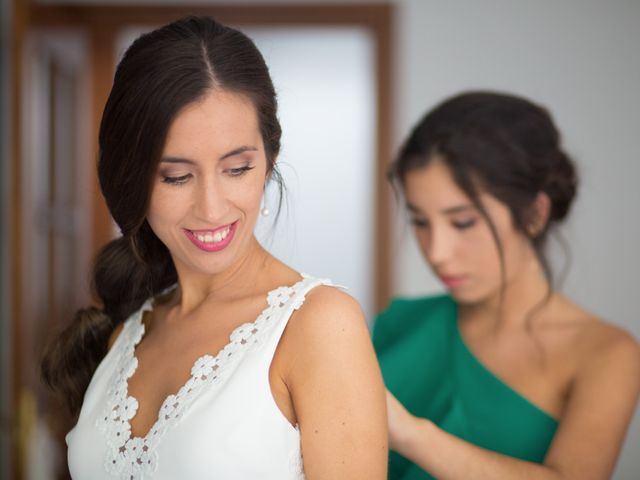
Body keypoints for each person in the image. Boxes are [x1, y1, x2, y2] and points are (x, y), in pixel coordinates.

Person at [41, 16, 387, 480]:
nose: (211, 207)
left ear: (269, 162)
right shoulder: (127, 327)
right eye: (177, 176)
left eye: (237, 169)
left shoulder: (318, 325)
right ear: (131, 179)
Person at [373, 91, 640, 479]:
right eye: (420, 222)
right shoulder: (400, 324)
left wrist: (411, 434)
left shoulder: (606, 354)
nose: (437, 253)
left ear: (534, 214)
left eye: (463, 222)